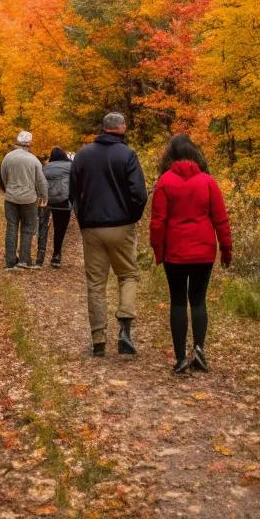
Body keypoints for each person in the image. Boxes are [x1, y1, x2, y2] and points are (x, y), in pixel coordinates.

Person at [149, 133, 232, 374]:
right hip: (204, 252)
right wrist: (226, 249)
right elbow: (221, 219)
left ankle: (180, 358)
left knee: (177, 300)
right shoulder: (208, 181)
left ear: (170, 156)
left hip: (175, 252)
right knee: (198, 300)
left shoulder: (164, 182)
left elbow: (158, 222)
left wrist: (158, 250)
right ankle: (199, 350)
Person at [71, 112, 147, 357]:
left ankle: (98, 338)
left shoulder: (83, 155)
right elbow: (140, 193)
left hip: (92, 226)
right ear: (121, 128)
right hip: (121, 225)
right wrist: (132, 216)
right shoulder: (127, 155)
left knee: (95, 283)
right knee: (127, 275)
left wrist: (82, 219)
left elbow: (73, 193)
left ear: (103, 128)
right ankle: (125, 327)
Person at [0, 129, 48, 270]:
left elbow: (3, 176)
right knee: (27, 228)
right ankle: (24, 260)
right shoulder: (34, 160)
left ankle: (10, 261)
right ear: (29, 144)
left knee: (11, 227)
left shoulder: (8, 157)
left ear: (17, 142)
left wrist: (9, 189)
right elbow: (41, 181)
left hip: (11, 197)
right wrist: (44, 197)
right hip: (29, 199)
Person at [36, 147, 73, 267]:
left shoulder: (45, 167)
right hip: (63, 200)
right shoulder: (70, 166)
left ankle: (40, 258)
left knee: (43, 227)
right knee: (60, 228)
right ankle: (56, 256)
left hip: (46, 200)